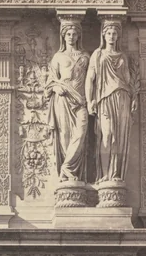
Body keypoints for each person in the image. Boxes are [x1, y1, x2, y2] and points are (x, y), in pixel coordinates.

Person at [86, 19, 138, 182]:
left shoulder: (123, 56)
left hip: (122, 96)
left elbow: (129, 79)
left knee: (118, 137)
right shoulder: (98, 54)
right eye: (108, 33)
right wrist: (89, 100)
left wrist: (134, 97)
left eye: (114, 33)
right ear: (103, 34)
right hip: (104, 98)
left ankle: (114, 175)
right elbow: (90, 78)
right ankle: (104, 175)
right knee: (106, 135)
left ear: (118, 36)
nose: (111, 36)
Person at [47, 18, 90, 183]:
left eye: (74, 34)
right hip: (63, 99)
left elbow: (91, 80)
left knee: (81, 132)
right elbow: (50, 81)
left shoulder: (85, 56)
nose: (71, 37)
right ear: (63, 36)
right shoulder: (58, 57)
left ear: (79, 36)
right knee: (65, 135)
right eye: (68, 34)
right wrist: (55, 88)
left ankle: (68, 167)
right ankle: (68, 173)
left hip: (80, 101)